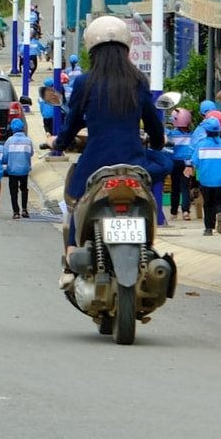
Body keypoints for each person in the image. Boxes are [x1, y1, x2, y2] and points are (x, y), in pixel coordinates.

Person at [51, 15, 166, 269]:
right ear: (127, 47)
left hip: (95, 162)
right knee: (164, 163)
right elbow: (153, 124)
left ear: (91, 47)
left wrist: (59, 143)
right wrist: (157, 142)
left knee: (75, 200)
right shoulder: (138, 81)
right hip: (133, 160)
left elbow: (71, 125)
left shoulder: (84, 82)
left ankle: (71, 256)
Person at [188, 118, 221, 236]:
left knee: (208, 204)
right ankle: (220, 212)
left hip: (205, 179)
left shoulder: (201, 145)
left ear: (206, 131)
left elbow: (195, 161)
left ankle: (208, 228)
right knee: (220, 200)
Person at [166, 107, 196, 221]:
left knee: (175, 187)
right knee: (185, 188)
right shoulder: (193, 135)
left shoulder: (172, 134)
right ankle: (186, 212)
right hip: (187, 164)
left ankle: (174, 212)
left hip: (175, 163)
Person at [3, 118, 34, 218]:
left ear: (12, 129)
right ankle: (24, 209)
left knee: (13, 191)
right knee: (24, 189)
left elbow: (5, 157)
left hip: (12, 170)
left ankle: (16, 212)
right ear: (22, 128)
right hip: (24, 170)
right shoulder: (28, 140)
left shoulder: (9, 141)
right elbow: (31, 153)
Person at [39, 80, 67, 150]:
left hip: (46, 117)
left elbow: (41, 107)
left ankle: (49, 137)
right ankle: (57, 143)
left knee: (48, 128)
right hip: (55, 116)